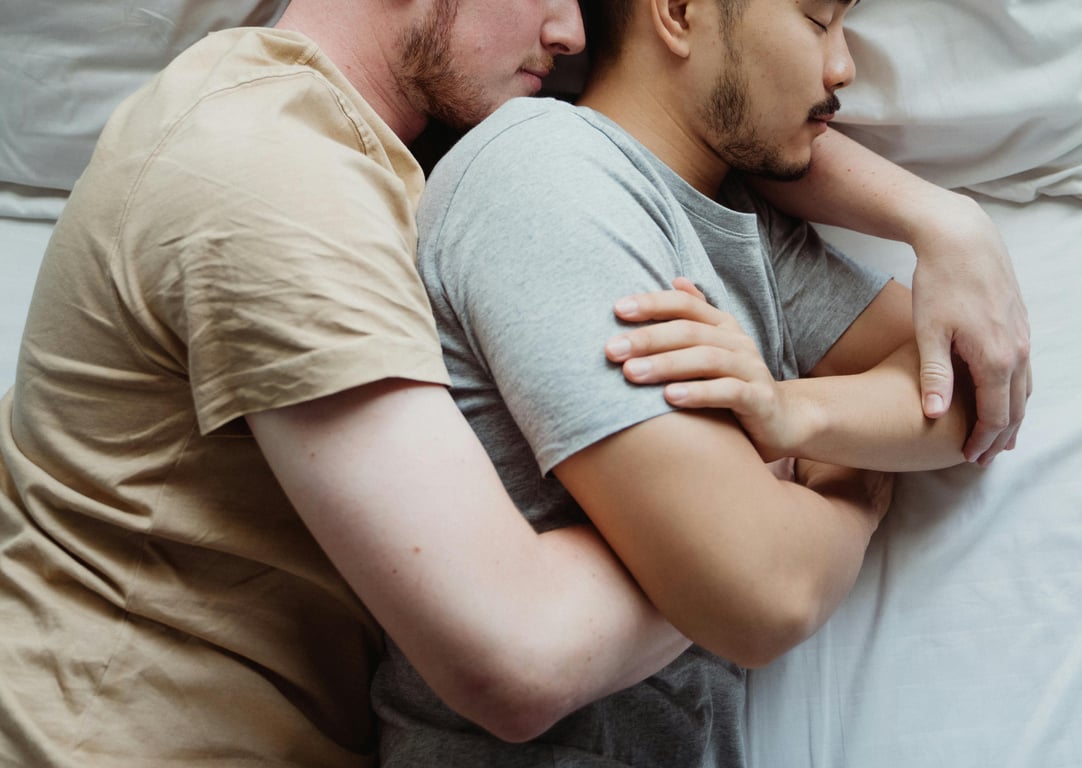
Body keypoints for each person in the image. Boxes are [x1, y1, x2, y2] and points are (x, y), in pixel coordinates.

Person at [0, 0, 1026, 766]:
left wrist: (937, 220)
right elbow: (520, 659)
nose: (573, 30)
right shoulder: (268, 170)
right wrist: (813, 492)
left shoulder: (383, 155)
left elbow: (686, 108)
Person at [393, 0, 1006, 764]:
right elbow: (766, 593)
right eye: (816, 20)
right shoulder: (545, 171)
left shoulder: (740, 228)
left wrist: (797, 414)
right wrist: (855, 495)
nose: (843, 67)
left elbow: (969, 389)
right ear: (679, 12)